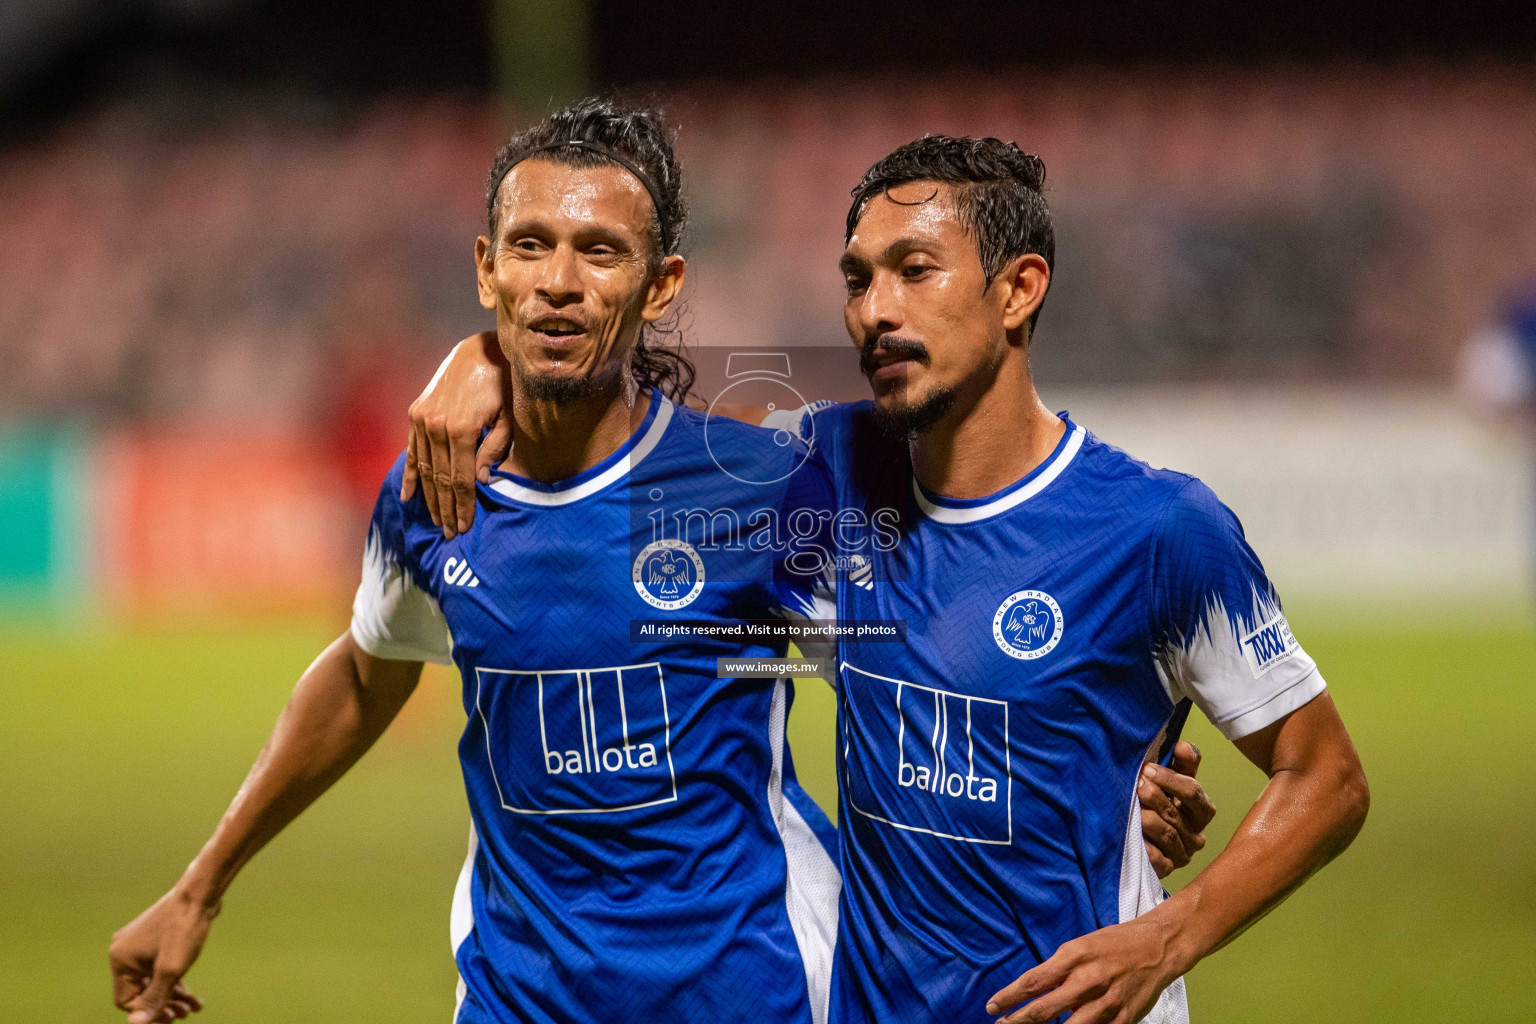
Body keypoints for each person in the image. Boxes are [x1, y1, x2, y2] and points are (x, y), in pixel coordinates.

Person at [107, 101, 1215, 1024]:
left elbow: (950, 654)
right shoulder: (432, 490)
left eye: (601, 252)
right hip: (514, 992)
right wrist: (200, 885)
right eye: (531, 247)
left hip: (760, 989)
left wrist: (1112, 786)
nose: (560, 281)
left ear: (663, 284)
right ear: (486, 270)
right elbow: (364, 671)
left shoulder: (768, 485)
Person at [410, 134, 1368, 1023]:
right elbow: (629, 437)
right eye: (857, 279)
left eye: (915, 271)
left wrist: (1169, 935)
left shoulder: (1159, 530)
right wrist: (488, 356)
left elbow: (1326, 778)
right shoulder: (822, 481)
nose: (876, 309)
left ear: (1018, 289)